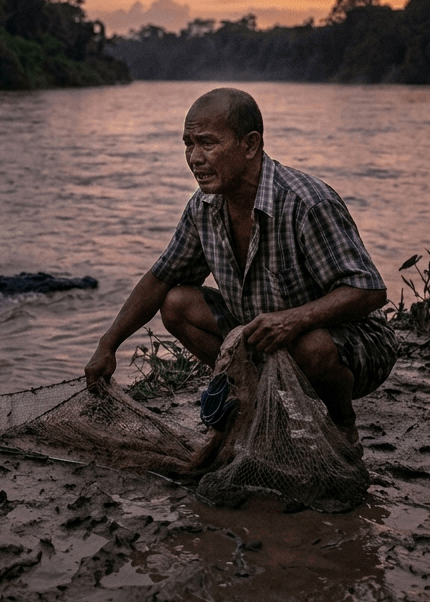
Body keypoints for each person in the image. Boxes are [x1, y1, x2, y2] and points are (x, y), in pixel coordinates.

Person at [83, 88, 396, 461]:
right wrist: (108, 345)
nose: (195, 159)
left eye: (208, 144)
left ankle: (343, 425)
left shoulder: (305, 202)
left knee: (310, 346)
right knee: (177, 302)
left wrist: (293, 320)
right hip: (263, 333)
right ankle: (253, 402)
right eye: (188, 145)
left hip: (351, 343)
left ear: (250, 145)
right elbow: (161, 278)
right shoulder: (204, 206)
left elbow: (370, 291)